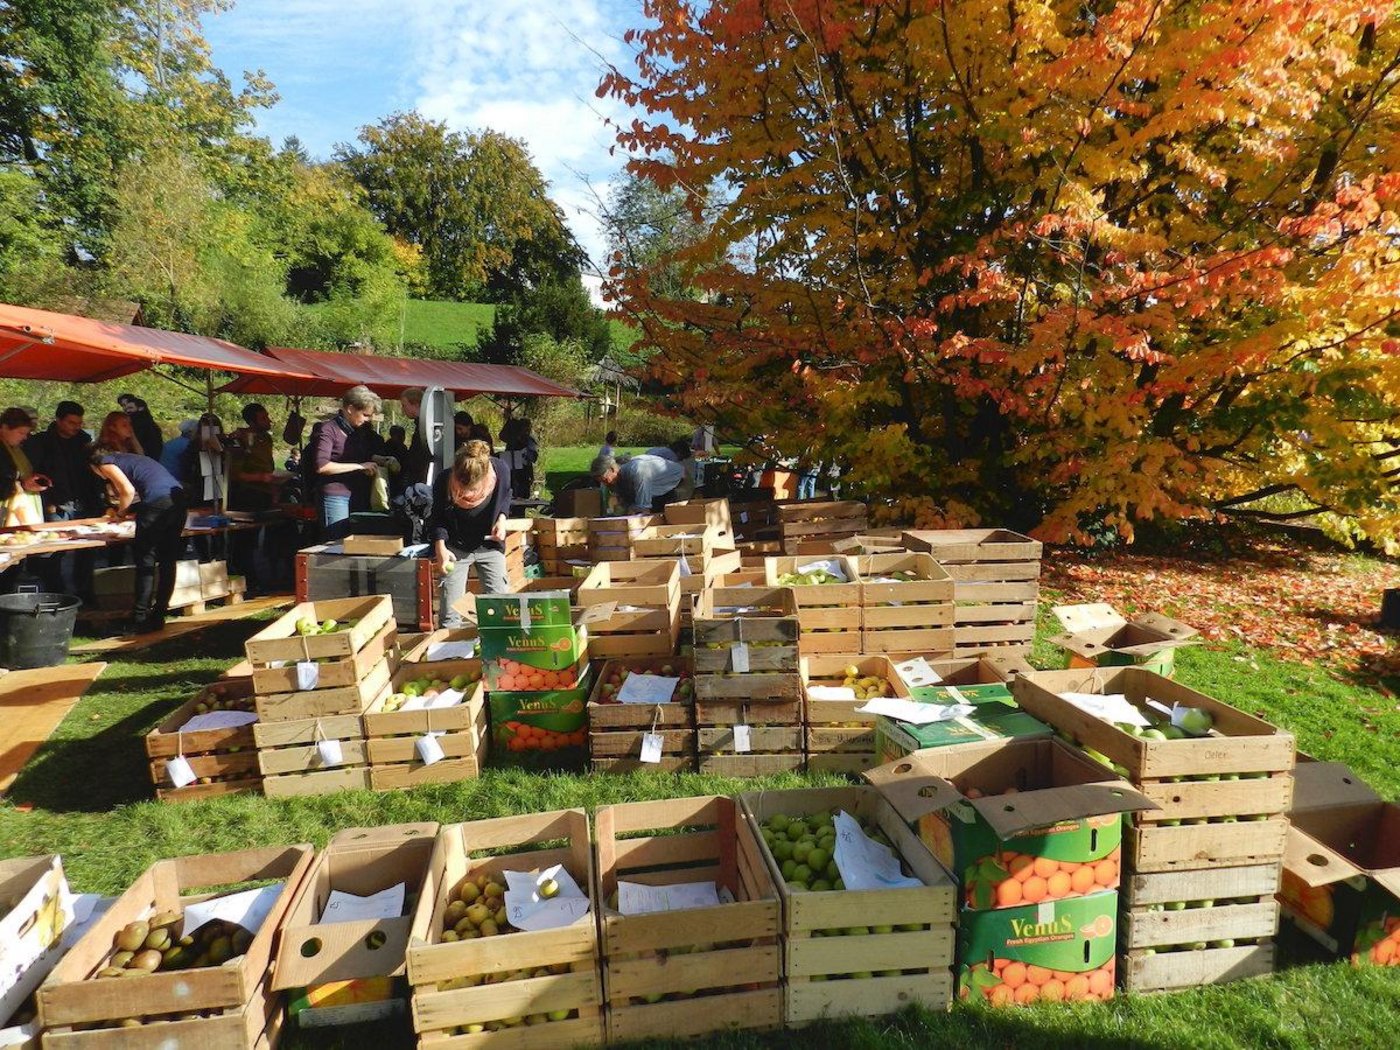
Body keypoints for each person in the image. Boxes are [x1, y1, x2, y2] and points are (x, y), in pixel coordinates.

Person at [90, 438, 188, 634]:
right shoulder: (132, 459)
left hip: (157, 503)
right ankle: (159, 614)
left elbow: (127, 490)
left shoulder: (105, 462)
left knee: (146, 560)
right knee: (168, 560)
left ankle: (139, 617)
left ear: (94, 465)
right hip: (178, 500)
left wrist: (119, 514)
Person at [430, 440, 513, 628]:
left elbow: (507, 496)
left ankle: (498, 654)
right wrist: (440, 546)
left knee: (501, 607)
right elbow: (437, 517)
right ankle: (451, 655)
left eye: (472, 490)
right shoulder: (443, 480)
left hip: (489, 544)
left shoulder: (501, 471)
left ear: (484, 478)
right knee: (450, 615)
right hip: (455, 548)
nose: (464, 494)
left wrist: (502, 518)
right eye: (460, 488)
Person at [24, 401, 101, 596]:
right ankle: (56, 593)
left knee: (87, 549)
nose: (76, 427)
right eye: (71, 422)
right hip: (56, 502)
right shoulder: (41, 441)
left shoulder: (83, 441)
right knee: (53, 550)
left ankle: (85, 590)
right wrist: (47, 499)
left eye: (79, 423)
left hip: (84, 500)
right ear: (58, 420)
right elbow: (32, 471)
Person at [310, 386, 381, 539]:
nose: (368, 419)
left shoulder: (358, 431)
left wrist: (380, 460)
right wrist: (359, 467)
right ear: (350, 408)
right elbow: (322, 466)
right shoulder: (328, 429)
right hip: (335, 496)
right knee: (336, 543)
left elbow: (361, 456)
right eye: (365, 415)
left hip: (358, 494)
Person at [590, 450, 685, 513]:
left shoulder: (637, 471)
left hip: (680, 483)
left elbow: (644, 508)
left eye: (606, 480)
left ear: (612, 469)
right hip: (657, 491)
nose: (606, 484)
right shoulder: (618, 480)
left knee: (673, 518)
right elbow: (626, 504)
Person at [0, 407, 49, 526]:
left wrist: (29, 481)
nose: (24, 437)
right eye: (21, 433)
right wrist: (22, 485)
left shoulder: (15, 450)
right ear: (4, 427)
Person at [229, 403, 279, 512]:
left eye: (267, 417)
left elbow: (269, 464)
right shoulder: (239, 439)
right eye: (263, 418)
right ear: (252, 422)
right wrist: (261, 477)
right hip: (248, 494)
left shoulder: (266, 438)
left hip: (267, 492)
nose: (268, 421)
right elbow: (235, 474)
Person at [398, 388, 433, 484]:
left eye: (404, 405)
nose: (402, 409)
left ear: (416, 404)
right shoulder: (423, 425)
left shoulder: (425, 428)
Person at [117, 394, 164, 461]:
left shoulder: (139, 423)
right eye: (123, 406)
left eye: (130, 408)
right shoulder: (149, 423)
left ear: (140, 408)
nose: (127, 410)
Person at [502, 418, 539, 500]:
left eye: (528, 428)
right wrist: (509, 420)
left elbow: (533, 458)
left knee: (523, 496)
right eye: (525, 428)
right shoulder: (512, 440)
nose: (527, 430)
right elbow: (502, 436)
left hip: (524, 473)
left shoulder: (529, 440)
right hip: (512, 472)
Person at [159, 419, 197, 483]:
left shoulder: (171, 442)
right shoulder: (188, 445)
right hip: (175, 480)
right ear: (191, 431)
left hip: (163, 476)